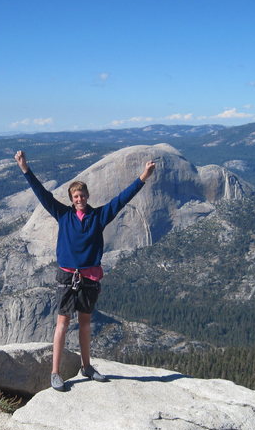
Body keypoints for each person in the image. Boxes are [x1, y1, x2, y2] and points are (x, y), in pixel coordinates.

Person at [14, 150, 156, 391]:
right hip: (67, 276)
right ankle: (55, 372)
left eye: (82, 195)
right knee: (62, 324)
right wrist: (25, 168)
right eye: (75, 196)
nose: (79, 199)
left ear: (87, 196)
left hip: (89, 277)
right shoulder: (63, 214)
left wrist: (143, 176)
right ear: (71, 199)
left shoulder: (99, 216)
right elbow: (42, 194)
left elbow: (122, 199)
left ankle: (86, 367)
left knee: (85, 323)